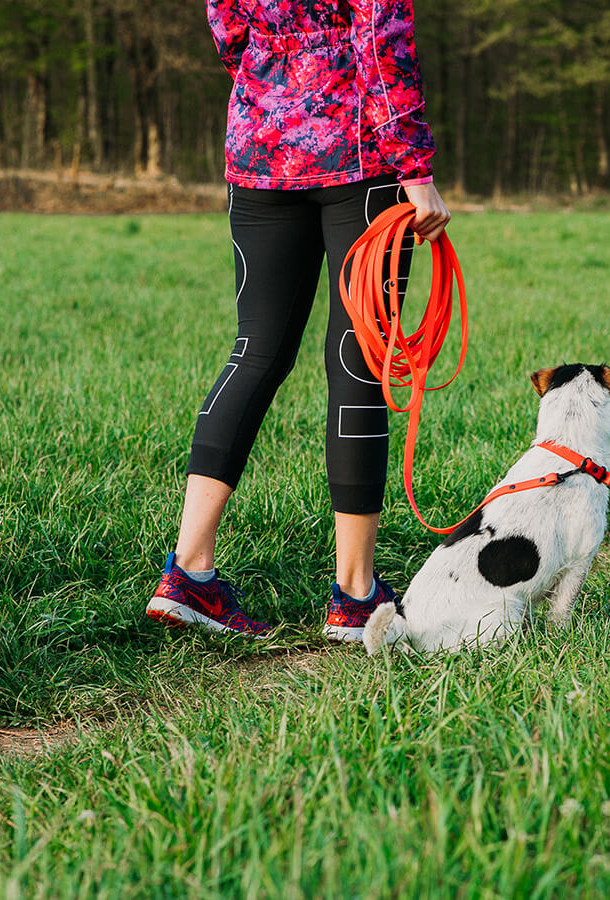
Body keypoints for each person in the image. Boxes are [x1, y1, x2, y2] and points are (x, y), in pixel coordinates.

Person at [146, 0, 450, 641]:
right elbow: (383, 36)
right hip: (359, 157)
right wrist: (415, 166)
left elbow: (229, 29)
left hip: (260, 145)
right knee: (358, 358)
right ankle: (356, 594)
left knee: (253, 351)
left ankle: (189, 571)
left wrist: (276, 81)